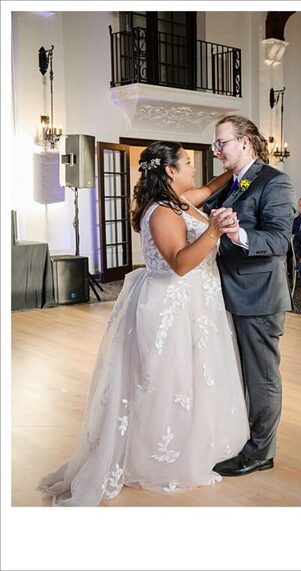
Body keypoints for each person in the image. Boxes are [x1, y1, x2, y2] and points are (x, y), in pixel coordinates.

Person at [39, 142, 249, 506]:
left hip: (196, 305)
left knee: (192, 377)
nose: (193, 168)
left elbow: (212, 187)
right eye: (187, 163)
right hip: (173, 304)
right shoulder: (162, 212)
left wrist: (240, 164)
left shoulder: (181, 201)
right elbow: (180, 264)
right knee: (169, 380)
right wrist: (213, 231)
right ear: (169, 171)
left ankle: (194, 443)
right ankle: (160, 457)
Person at [204, 114, 297, 477]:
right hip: (229, 293)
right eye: (215, 143)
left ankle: (261, 452)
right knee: (237, 374)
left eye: (221, 142)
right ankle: (240, 437)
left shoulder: (275, 182)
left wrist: (237, 233)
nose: (216, 150)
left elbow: (277, 241)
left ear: (244, 142)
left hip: (258, 296)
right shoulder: (233, 183)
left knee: (261, 378)